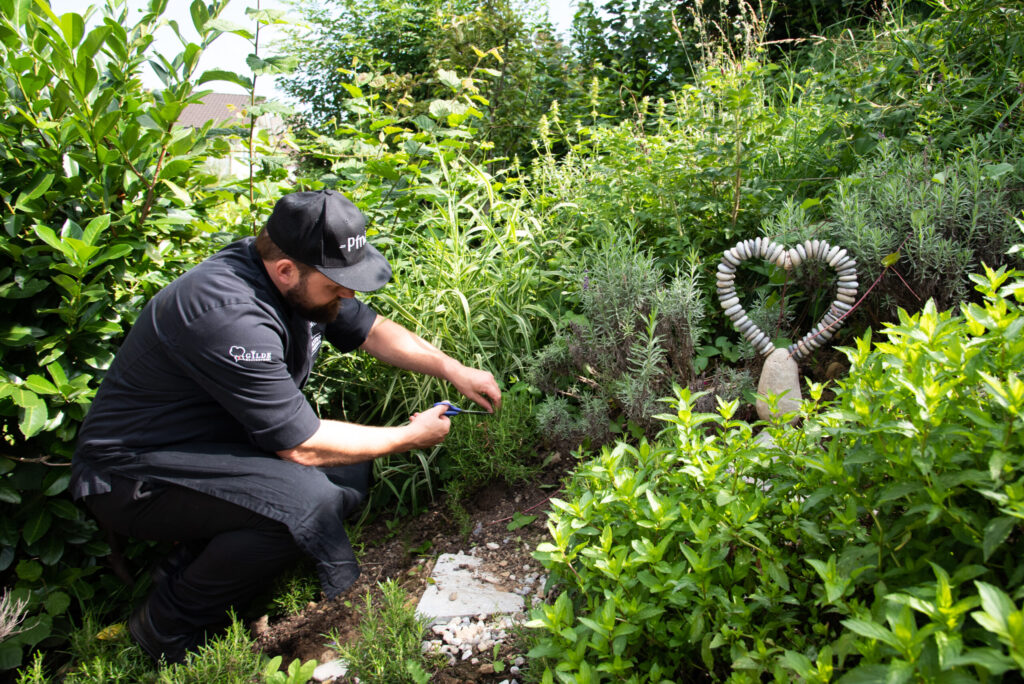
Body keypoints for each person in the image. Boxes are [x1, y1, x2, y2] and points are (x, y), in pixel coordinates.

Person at [70, 189, 501, 664]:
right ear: (285, 271)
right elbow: (303, 446)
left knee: (347, 472)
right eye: (337, 286)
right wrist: (408, 438)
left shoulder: (302, 277)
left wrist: (452, 368)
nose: (348, 295)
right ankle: (166, 624)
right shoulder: (229, 314)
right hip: (135, 474)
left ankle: (194, 566)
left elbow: (373, 330)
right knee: (307, 502)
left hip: (211, 449)